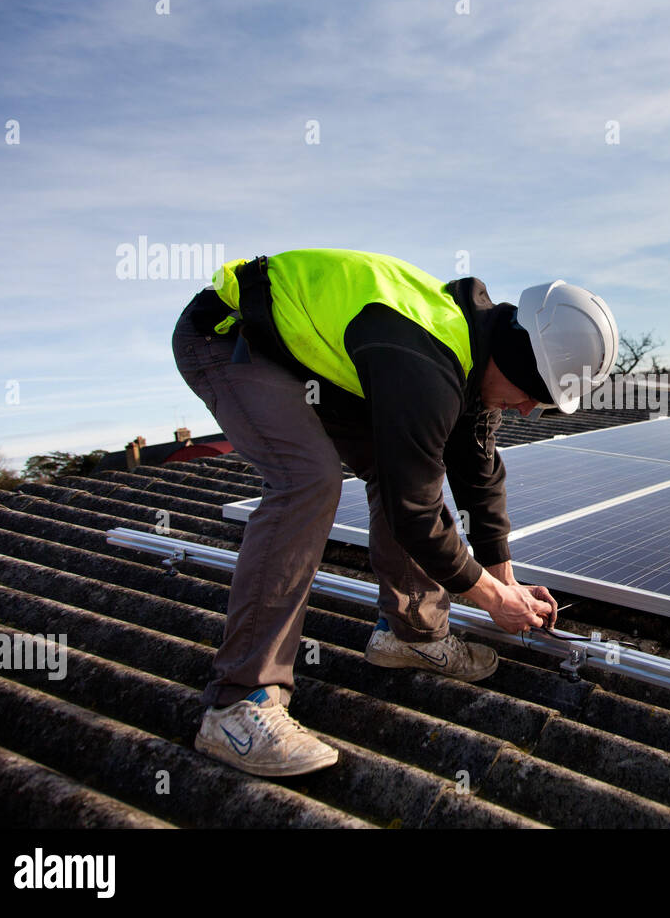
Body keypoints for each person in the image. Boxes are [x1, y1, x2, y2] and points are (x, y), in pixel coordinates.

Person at [170, 248, 618, 776]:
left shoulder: (476, 349)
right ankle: (238, 704)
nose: (526, 411)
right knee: (307, 480)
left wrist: (506, 579)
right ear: (517, 359)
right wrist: (493, 599)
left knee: (394, 465)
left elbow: (479, 472)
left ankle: (411, 633)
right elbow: (416, 513)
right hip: (231, 335)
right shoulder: (425, 365)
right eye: (531, 395)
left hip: (306, 356)